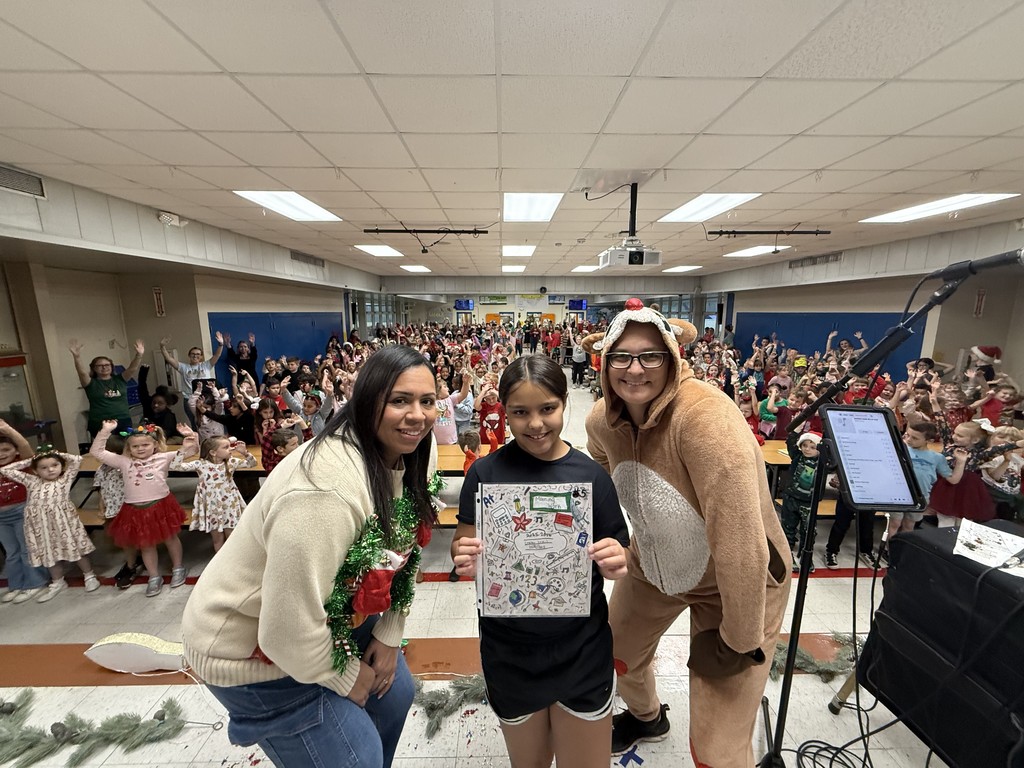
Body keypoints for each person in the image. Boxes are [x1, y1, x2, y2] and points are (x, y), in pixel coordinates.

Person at [182, 345, 440, 768]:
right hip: (251, 650)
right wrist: (345, 676)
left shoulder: (414, 454)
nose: (418, 416)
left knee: (394, 699)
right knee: (356, 756)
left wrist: (390, 631)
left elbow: (404, 551)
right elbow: (284, 631)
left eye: (426, 401)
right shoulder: (325, 490)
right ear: (365, 402)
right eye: (399, 401)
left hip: (329, 616)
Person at [584, 299, 790, 767]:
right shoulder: (601, 419)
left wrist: (740, 640)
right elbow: (600, 472)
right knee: (617, 657)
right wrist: (619, 538)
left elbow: (741, 544)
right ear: (604, 361)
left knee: (717, 748)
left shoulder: (705, 418)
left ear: (674, 357)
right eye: (621, 356)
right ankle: (647, 717)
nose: (634, 370)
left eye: (650, 355)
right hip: (657, 564)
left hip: (738, 584)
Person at [451, 355, 629, 768]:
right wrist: (467, 557)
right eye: (520, 412)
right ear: (504, 413)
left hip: (581, 650)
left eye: (547, 409)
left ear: (565, 403)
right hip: (509, 652)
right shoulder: (485, 475)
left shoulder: (591, 477)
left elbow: (620, 551)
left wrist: (616, 560)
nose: (535, 424)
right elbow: (466, 539)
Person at [90, 421, 188, 597]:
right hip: (135, 508)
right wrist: (105, 431)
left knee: (170, 538)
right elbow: (96, 452)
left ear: (155, 445)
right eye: (135, 446)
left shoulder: (162, 458)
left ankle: (178, 567)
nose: (140, 449)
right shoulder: (123, 461)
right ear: (129, 448)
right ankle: (153, 576)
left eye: (145, 445)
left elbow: (190, 451)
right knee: (145, 544)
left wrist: (189, 436)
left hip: (160, 506)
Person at [0, 446, 98, 602]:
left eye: (54, 465)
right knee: (49, 553)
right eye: (44, 468)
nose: (50, 470)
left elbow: (77, 460)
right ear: (36, 470)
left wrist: (56, 454)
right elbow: (7, 470)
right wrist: (32, 460)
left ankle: (89, 575)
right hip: (41, 525)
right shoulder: (31, 480)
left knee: (75, 548)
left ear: (60, 466)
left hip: (64, 523)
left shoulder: (65, 479)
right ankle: (58, 581)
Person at [171, 431, 256, 553]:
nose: (230, 449)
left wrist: (245, 453)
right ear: (213, 452)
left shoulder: (232, 462)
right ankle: (220, 564)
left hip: (229, 504)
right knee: (217, 539)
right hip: (212, 507)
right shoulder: (200, 464)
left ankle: (234, 561)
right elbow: (175, 466)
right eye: (226, 447)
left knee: (232, 536)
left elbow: (252, 464)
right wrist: (183, 449)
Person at [0, 421, 50, 604]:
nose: (2, 454)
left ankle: (36, 583)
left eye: (6, 449)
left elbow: (25, 446)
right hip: (1, 517)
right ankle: (17, 585)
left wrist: (7, 429)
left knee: (27, 549)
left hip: (21, 511)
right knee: (11, 552)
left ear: (15, 452)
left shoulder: (21, 464)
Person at [69, 338, 145, 438]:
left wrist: (139, 355)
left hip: (123, 420)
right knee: (104, 450)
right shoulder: (91, 383)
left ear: (112, 367)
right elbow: (82, 373)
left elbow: (132, 368)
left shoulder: (120, 379)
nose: (104, 367)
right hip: (100, 422)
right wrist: (77, 357)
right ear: (94, 368)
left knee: (126, 447)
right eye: (99, 365)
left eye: (107, 365)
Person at [159, 333, 226, 427]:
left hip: (206, 400)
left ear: (201, 356)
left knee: (212, 422)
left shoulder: (206, 365)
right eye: (193, 354)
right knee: (195, 424)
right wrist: (162, 346)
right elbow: (168, 359)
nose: (195, 356)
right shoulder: (183, 367)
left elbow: (217, 356)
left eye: (198, 354)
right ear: (189, 355)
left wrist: (221, 344)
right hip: (189, 399)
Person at [780, 432, 821, 573]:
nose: (807, 449)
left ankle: (806, 557)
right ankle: (787, 556)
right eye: (804, 445)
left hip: (809, 503)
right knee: (788, 529)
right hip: (791, 499)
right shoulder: (797, 457)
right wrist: (798, 427)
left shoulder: (823, 463)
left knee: (809, 531)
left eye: (812, 446)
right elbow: (790, 440)